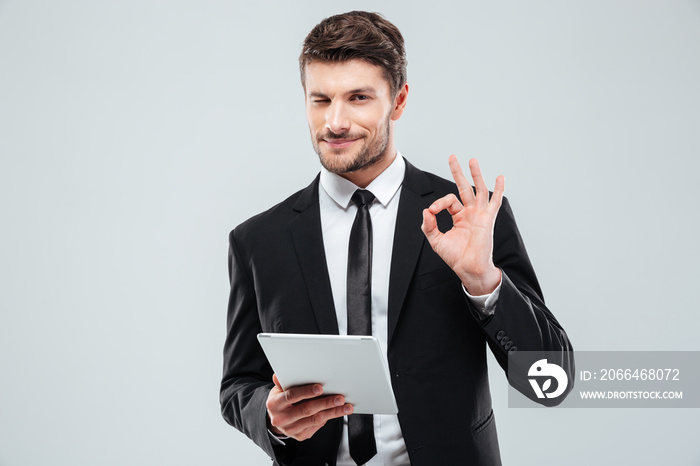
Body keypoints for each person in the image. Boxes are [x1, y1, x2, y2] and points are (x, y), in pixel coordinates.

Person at [220, 10, 573, 466]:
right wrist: (268, 416)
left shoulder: (469, 216)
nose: (336, 122)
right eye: (320, 100)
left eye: (359, 97)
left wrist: (485, 283)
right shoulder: (258, 240)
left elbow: (553, 384)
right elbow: (237, 387)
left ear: (399, 101)